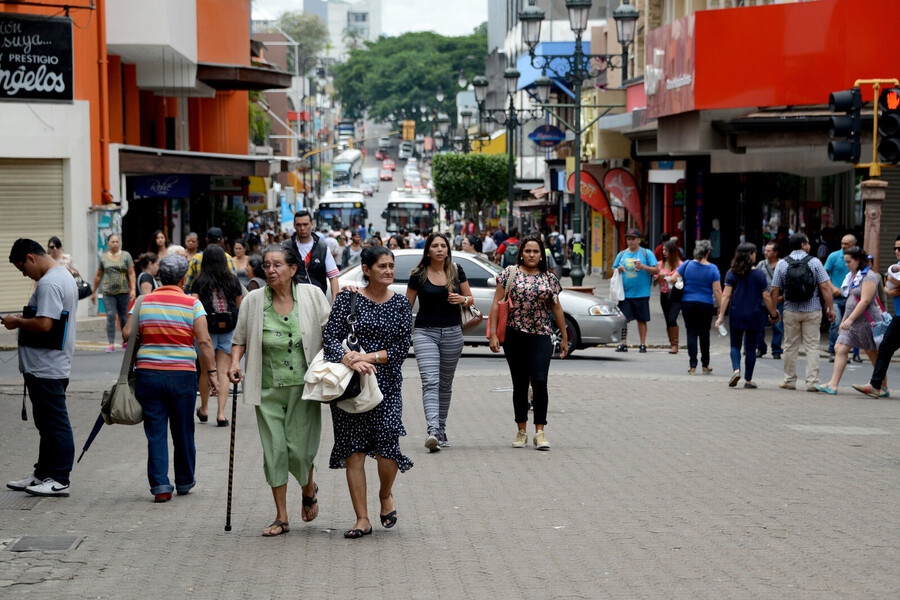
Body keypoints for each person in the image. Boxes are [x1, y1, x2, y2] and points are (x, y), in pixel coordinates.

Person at [228, 244, 331, 536]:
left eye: (277, 265)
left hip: (304, 386)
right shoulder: (253, 300)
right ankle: (281, 517)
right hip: (267, 386)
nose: (270, 271)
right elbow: (240, 338)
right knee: (274, 451)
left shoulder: (312, 295)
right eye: (267, 266)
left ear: (293, 269)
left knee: (299, 450)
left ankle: (308, 488)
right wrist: (235, 362)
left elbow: (329, 331)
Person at [323, 246, 413, 539]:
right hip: (351, 385)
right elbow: (330, 338)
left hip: (385, 385)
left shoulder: (400, 304)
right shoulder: (347, 299)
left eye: (391, 266)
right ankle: (361, 519)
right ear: (366, 269)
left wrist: (367, 357)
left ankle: (385, 494)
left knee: (387, 446)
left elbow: (400, 348)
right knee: (354, 452)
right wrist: (348, 357)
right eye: (382, 266)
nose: (388, 271)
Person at [123, 255, 217, 502]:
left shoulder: (142, 302)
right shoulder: (192, 305)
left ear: (159, 277)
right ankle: (184, 481)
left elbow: (126, 333)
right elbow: (205, 342)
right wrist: (212, 373)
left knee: (155, 431)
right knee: (184, 430)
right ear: (184, 278)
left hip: (148, 374)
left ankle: (161, 487)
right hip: (182, 376)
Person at [4, 239, 78, 497]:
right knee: (46, 424)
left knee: (55, 424)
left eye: (22, 269)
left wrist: (16, 321)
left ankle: (60, 479)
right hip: (48, 364)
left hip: (47, 367)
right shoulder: (62, 276)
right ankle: (42, 474)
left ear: (30, 258)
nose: (25, 275)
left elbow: (45, 324)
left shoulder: (49, 282)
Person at [488, 234, 568, 450]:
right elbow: (497, 303)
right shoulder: (508, 274)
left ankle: (540, 432)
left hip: (541, 335)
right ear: (521, 253)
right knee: (520, 384)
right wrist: (494, 333)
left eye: (536, 251)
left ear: (542, 255)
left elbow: (556, 307)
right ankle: (521, 430)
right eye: (527, 251)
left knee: (540, 382)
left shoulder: (549, 279)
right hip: (515, 335)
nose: (531, 255)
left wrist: (564, 336)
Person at [405, 233, 474, 451]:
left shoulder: (456, 270)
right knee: (430, 382)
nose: (440, 249)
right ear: (428, 251)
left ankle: (441, 428)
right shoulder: (418, 274)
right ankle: (432, 430)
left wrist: (462, 300)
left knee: (445, 384)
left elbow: (469, 297)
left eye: (443, 245)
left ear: (448, 249)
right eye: (435, 246)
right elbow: (407, 306)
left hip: (453, 333)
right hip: (426, 333)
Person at [770, 233, 836, 391]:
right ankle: (812, 382)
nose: (809, 245)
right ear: (803, 245)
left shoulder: (782, 263)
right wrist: (830, 308)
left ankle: (789, 380)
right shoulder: (814, 262)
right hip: (812, 310)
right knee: (812, 346)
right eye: (807, 243)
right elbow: (825, 286)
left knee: (789, 345)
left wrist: (773, 310)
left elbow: (774, 289)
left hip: (790, 310)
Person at [815, 246, 885, 395]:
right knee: (840, 347)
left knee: (872, 352)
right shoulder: (854, 275)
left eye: (849, 262)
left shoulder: (869, 276)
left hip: (867, 320)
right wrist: (844, 320)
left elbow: (865, 301)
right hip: (852, 321)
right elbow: (851, 300)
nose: (846, 265)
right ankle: (833, 385)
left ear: (858, 260)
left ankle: (882, 386)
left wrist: (849, 320)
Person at [191, 245, 243, 426]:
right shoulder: (232, 280)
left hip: (206, 331)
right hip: (228, 330)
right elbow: (238, 305)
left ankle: (204, 409)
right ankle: (221, 414)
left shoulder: (199, 281)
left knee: (206, 371)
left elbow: (194, 306)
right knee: (222, 372)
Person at [715, 243, 779, 389]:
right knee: (751, 348)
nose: (756, 255)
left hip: (737, 313)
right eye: (754, 253)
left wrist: (720, 316)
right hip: (755, 314)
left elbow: (726, 296)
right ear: (749, 255)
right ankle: (748, 380)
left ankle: (736, 370)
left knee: (735, 345)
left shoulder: (732, 273)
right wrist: (774, 313)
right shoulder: (759, 274)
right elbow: (766, 297)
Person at [854, 235, 900, 397]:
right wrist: (890, 288)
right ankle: (875, 385)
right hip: (898, 317)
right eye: (895, 248)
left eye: (899, 248)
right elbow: (889, 284)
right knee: (885, 349)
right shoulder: (897, 266)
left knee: (885, 349)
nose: (897, 251)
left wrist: (890, 289)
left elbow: (892, 286)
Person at [674, 240, 722, 374]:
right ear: (708, 252)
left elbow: (673, 279)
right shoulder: (713, 268)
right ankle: (705, 364)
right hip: (705, 304)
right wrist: (721, 308)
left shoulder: (686, 264)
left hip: (688, 303)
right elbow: (717, 290)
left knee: (691, 332)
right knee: (704, 333)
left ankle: (692, 365)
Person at [612, 229, 660, 353]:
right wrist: (619, 269)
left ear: (639, 240)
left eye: (633, 239)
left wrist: (643, 267)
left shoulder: (646, 253)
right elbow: (613, 270)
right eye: (629, 239)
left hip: (642, 293)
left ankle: (642, 344)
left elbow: (656, 270)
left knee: (642, 320)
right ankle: (623, 343)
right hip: (625, 293)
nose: (631, 241)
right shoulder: (622, 254)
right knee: (623, 320)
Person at [90, 233, 135, 353]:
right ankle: (110, 343)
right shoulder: (104, 257)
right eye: (112, 242)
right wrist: (93, 291)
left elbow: (131, 273)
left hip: (123, 291)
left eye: (117, 241)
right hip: (108, 292)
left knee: (123, 317)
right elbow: (98, 275)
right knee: (110, 316)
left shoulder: (126, 256)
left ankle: (125, 341)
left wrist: (133, 289)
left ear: (120, 242)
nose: (115, 244)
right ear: (108, 243)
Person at [824, 234, 861, 364]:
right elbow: (824, 274)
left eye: (847, 244)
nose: (844, 246)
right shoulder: (833, 256)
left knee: (851, 326)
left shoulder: (858, 257)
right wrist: (832, 287)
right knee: (836, 323)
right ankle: (833, 351)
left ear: (854, 245)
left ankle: (850, 353)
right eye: (842, 243)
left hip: (852, 298)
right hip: (835, 297)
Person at [286, 211, 339, 302]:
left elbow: (333, 277)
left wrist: (335, 302)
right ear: (294, 225)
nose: (302, 228)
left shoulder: (322, 248)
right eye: (298, 225)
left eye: (305, 224)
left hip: (317, 301)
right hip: (293, 301)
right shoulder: (286, 247)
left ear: (312, 224)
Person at [184, 228, 236, 294]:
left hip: (200, 300)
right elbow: (234, 283)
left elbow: (187, 285)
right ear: (222, 241)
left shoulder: (196, 259)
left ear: (206, 240)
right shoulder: (228, 259)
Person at [755, 242, 784, 359]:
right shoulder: (761, 264)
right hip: (763, 298)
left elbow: (788, 282)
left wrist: (783, 296)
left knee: (778, 325)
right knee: (759, 325)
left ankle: (776, 349)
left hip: (778, 299)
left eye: (769, 251)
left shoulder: (783, 264)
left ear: (776, 253)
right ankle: (760, 347)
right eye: (765, 250)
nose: (765, 253)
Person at [656, 239, 683, 354]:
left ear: (672, 251)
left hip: (676, 294)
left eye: (666, 250)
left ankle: (675, 345)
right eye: (663, 250)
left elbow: (683, 278)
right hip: (664, 294)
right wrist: (659, 277)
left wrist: (674, 278)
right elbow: (656, 281)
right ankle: (672, 343)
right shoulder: (660, 264)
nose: (664, 252)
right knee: (668, 319)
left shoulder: (680, 264)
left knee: (672, 318)